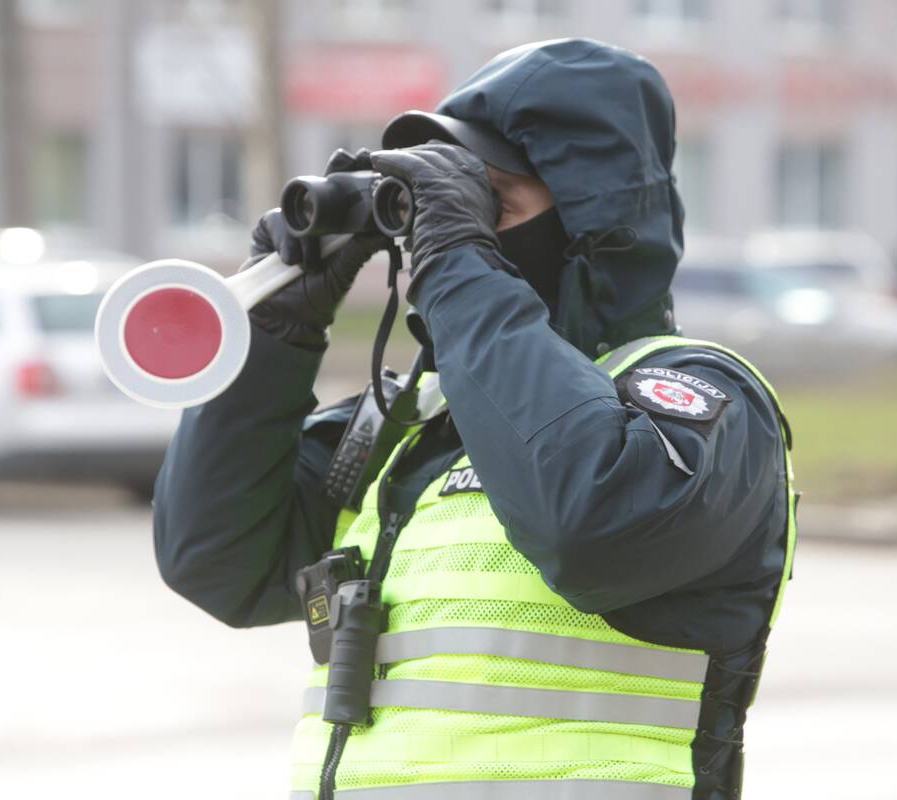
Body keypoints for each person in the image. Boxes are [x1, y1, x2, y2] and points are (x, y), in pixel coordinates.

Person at [154, 39, 797, 800]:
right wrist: (278, 333)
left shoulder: (697, 400)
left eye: (490, 202)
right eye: (435, 211)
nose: (438, 235)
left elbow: (589, 526)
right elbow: (222, 562)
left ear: (594, 226)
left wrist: (460, 261)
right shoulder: (411, 422)